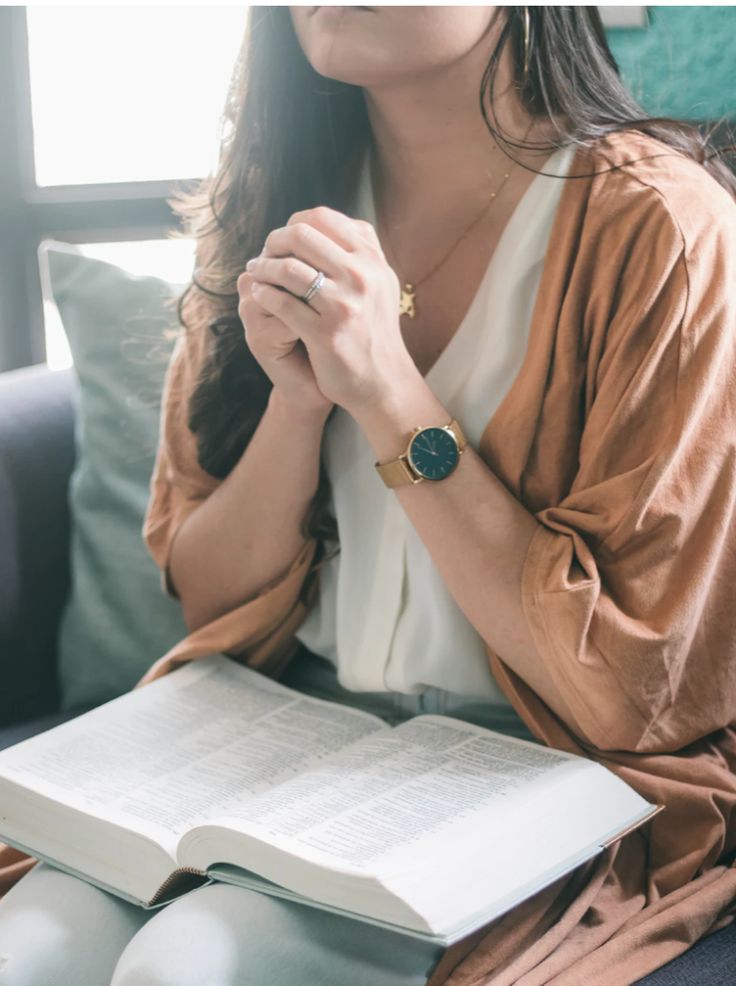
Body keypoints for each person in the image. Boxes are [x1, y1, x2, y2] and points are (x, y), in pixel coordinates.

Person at [1, 6, 735, 985]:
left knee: (189, 964)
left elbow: (630, 682)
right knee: (28, 943)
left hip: (541, 761)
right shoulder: (261, 210)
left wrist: (389, 394)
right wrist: (297, 409)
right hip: (283, 729)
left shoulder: (662, 231)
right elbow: (212, 600)